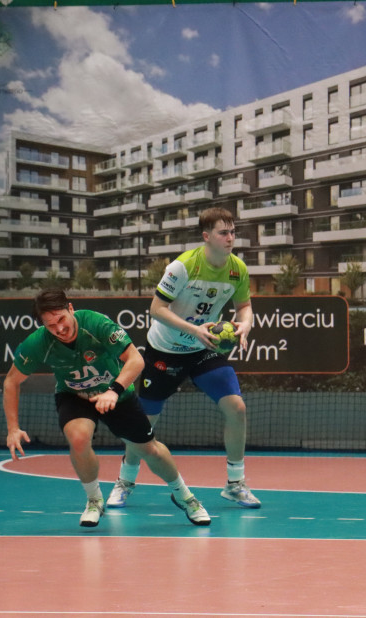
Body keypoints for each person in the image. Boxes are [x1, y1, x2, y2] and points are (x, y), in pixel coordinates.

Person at [3, 288, 211, 527]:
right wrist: (13, 428)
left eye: (61, 319)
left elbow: (136, 360)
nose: (59, 329)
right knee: (79, 439)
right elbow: (11, 380)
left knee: (149, 450)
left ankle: (185, 496)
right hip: (74, 395)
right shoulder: (39, 342)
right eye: (50, 325)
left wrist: (114, 391)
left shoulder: (96, 324)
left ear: (70, 309)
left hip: (116, 393)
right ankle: (94, 500)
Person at [109, 207, 261, 509]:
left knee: (237, 408)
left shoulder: (237, 269)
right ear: (206, 236)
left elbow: (244, 307)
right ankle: (124, 481)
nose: (230, 238)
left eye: (233, 232)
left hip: (204, 350)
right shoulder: (183, 267)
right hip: (165, 350)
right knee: (144, 424)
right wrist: (194, 329)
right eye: (223, 232)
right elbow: (156, 309)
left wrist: (245, 323)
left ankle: (235, 483)